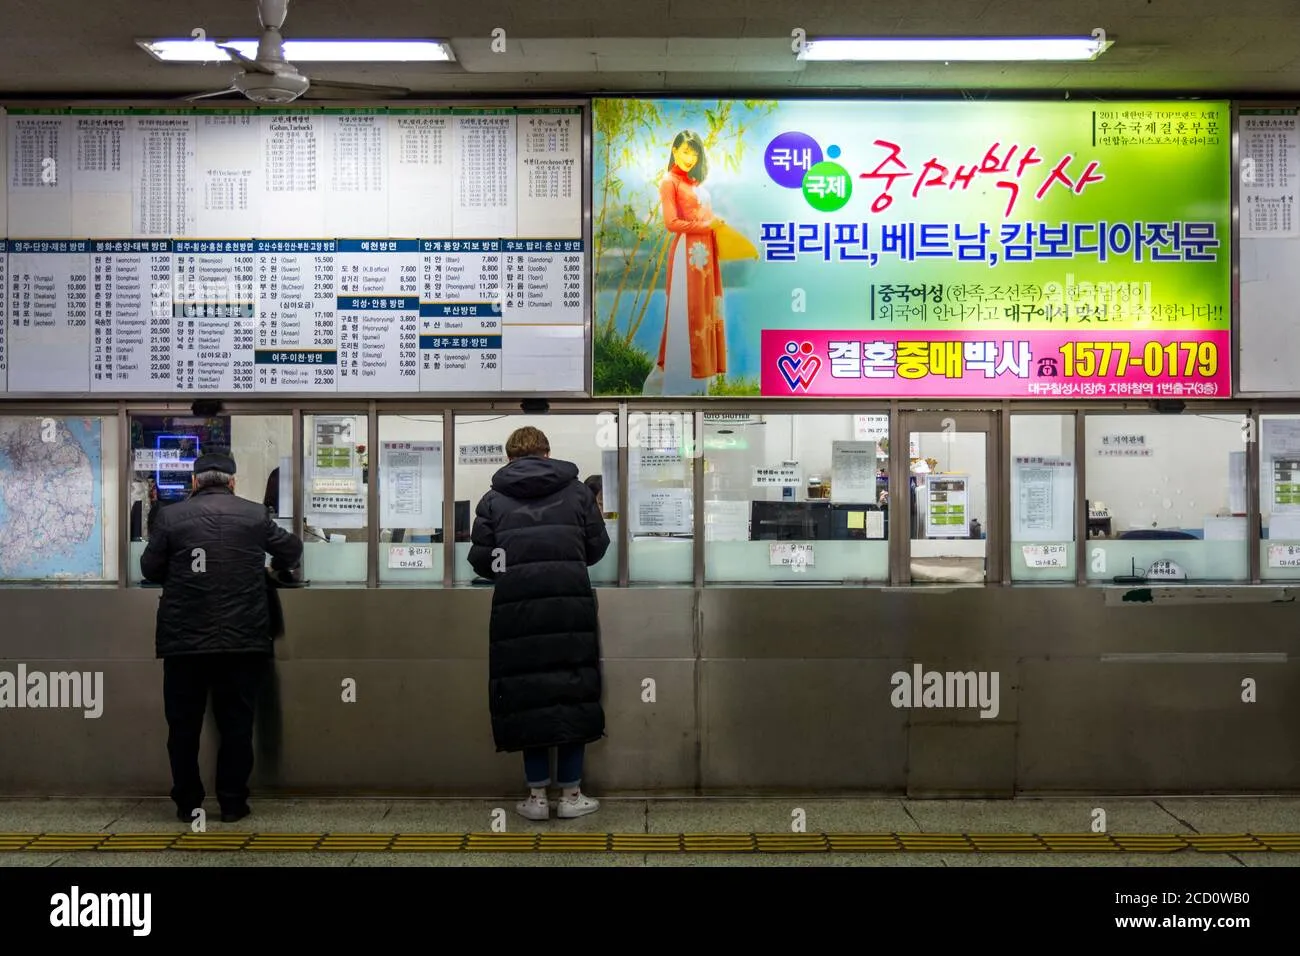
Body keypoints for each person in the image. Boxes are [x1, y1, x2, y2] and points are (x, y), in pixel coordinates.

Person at [140, 451, 303, 824]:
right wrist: (271, 567)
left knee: (183, 727)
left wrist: (179, 573)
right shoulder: (254, 515)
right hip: (242, 638)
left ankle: (188, 803)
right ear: (232, 482)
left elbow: (149, 568)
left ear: (195, 482)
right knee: (237, 724)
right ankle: (232, 802)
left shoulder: (170, 517)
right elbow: (292, 549)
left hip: (184, 640)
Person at [468, 426, 611, 820]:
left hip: (517, 609)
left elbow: (482, 560)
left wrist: (514, 568)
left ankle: (534, 797)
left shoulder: (493, 499)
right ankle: (570, 795)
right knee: (571, 689)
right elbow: (597, 548)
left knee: (527, 694)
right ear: (547, 453)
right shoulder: (579, 492)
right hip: (570, 606)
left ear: (510, 456)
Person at [642, 128, 727, 397]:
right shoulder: (670, 182)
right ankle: (677, 383)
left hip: (704, 257)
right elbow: (671, 223)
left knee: (704, 314)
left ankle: (700, 384)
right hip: (686, 256)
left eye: (695, 152)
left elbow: (706, 219)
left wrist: (716, 227)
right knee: (685, 314)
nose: (690, 157)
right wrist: (707, 225)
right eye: (685, 151)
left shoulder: (695, 184)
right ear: (675, 151)